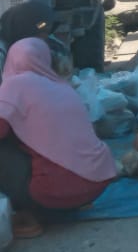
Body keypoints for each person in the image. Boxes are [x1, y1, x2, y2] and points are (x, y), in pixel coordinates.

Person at [0, 38, 116, 239]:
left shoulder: (14, 86)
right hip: (96, 185)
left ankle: (28, 216)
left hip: (50, 193)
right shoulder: (63, 86)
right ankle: (71, 205)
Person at [0, 0, 72, 82]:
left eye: (47, 31)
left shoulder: (53, 46)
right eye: (42, 32)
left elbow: (65, 75)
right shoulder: (3, 52)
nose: (44, 36)